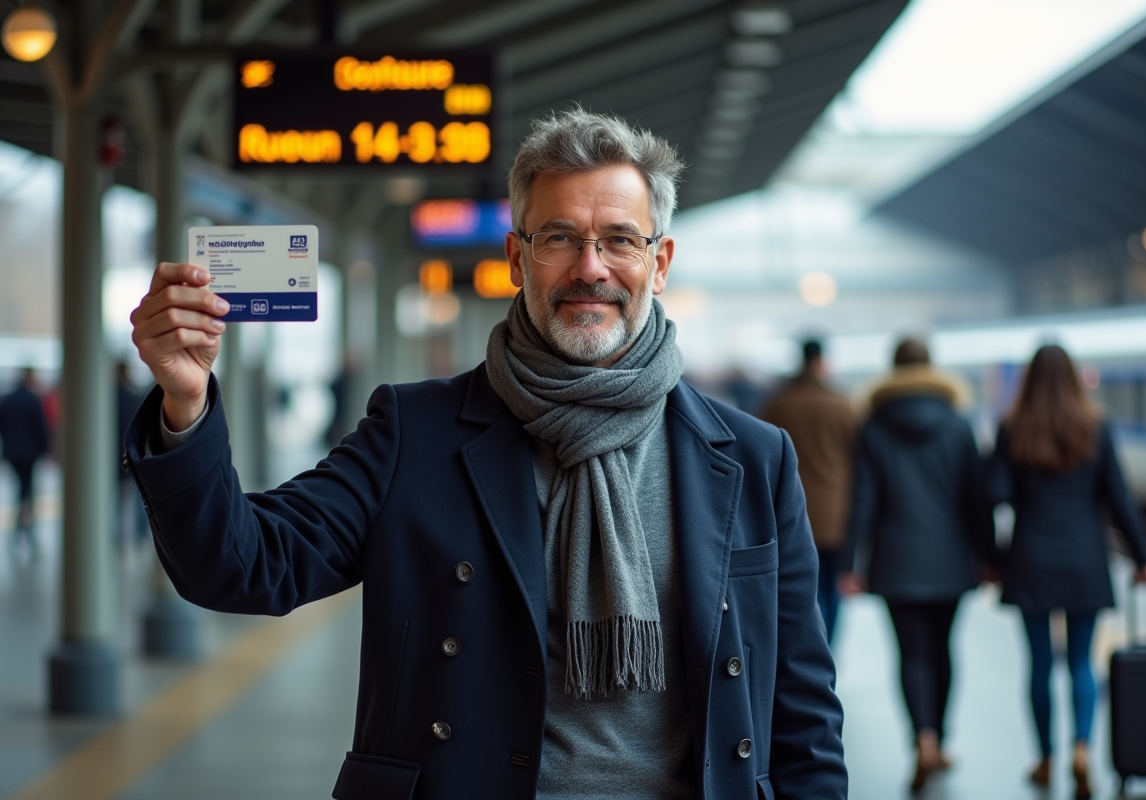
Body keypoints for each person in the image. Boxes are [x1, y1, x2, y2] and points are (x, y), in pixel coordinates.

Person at [124, 109, 846, 800]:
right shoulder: (417, 432)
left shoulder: (752, 459)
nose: (589, 267)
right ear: (515, 258)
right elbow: (245, 566)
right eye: (558, 237)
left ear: (659, 264)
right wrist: (186, 404)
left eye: (620, 240)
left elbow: (801, 708)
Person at [986, 344, 1146, 800]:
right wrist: (1144, 559)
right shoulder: (1096, 426)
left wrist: (993, 556)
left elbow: (995, 494)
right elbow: (1120, 499)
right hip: (1085, 557)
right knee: (1082, 662)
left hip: (1030, 558)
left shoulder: (1013, 427)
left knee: (1040, 665)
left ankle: (1046, 758)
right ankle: (1083, 749)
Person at [838, 338, 993, 792]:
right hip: (950, 559)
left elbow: (863, 499)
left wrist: (851, 562)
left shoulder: (875, 426)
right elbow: (976, 500)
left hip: (895, 560)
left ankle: (921, 738)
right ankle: (940, 739)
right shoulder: (958, 425)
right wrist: (989, 555)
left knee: (911, 654)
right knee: (943, 650)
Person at [760, 339, 857, 642]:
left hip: (788, 509)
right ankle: (828, 648)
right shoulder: (843, 405)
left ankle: (809, 647)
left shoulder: (777, 403)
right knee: (832, 585)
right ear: (822, 362)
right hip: (835, 513)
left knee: (801, 586)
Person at [0, 368, 50, 554]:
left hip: (13, 454)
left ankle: (20, 532)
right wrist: (47, 450)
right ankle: (26, 532)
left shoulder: (7, 400)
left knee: (21, 492)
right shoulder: (33, 400)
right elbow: (41, 428)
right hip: (30, 455)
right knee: (28, 492)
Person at [116, 362, 149, 547]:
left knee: (120, 500)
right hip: (131, 455)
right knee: (136, 497)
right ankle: (139, 534)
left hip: (111, 457)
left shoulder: (107, 399)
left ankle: (119, 536)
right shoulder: (134, 398)